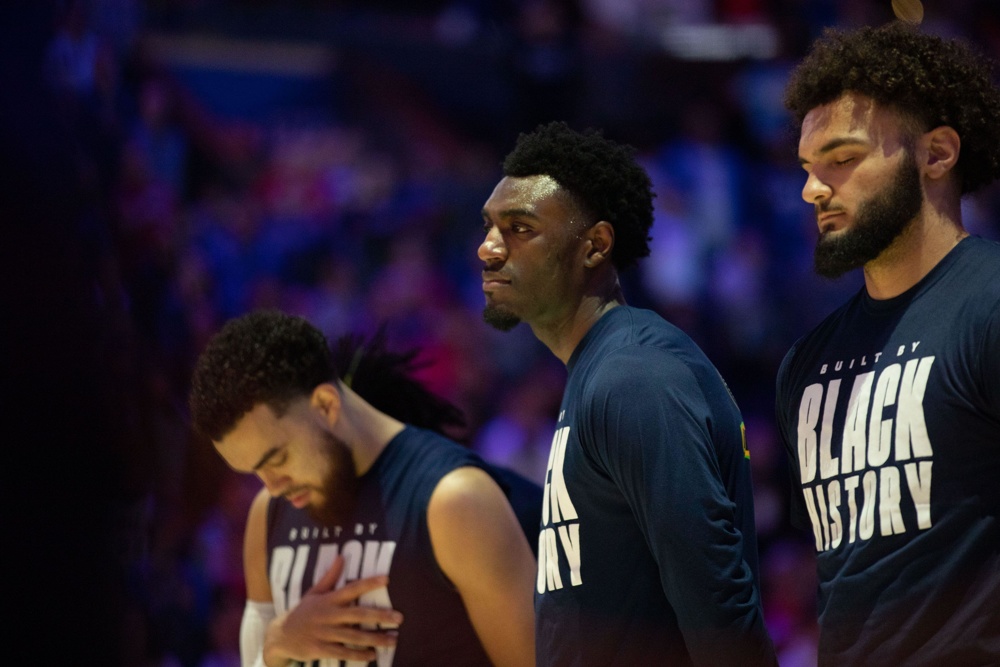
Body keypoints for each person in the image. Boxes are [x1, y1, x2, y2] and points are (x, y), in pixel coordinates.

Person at [477, 120, 777, 666]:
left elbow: (719, 607)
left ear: (595, 245)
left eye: (519, 228)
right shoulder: (598, 371)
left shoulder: (634, 377)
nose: (489, 248)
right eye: (491, 226)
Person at [776, 21, 1000, 665]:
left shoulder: (988, 306)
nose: (813, 188)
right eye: (807, 168)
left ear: (937, 154)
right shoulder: (806, 363)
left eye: (842, 160)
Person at [188, 310, 537, 667]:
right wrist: (276, 645)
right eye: (254, 472)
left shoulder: (453, 501)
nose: (272, 486)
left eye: (276, 459)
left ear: (326, 405)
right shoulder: (267, 515)